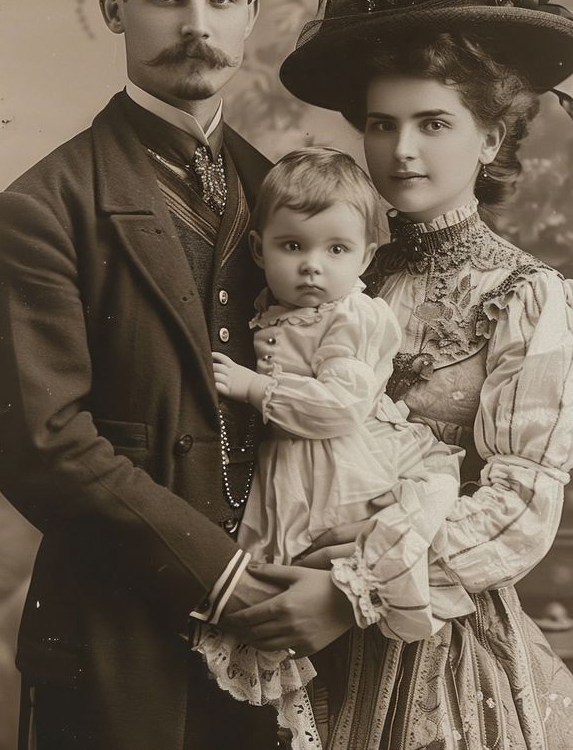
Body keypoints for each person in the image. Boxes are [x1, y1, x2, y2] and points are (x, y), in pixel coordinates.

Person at [0, 0, 353, 750]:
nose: (197, 24)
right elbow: (44, 445)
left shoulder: (286, 196)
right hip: (121, 636)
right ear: (116, 8)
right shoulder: (45, 208)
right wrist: (223, 576)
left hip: (289, 625)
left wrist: (332, 586)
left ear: (251, 13)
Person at [275, 0, 573, 747]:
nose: (401, 151)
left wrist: (352, 595)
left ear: (491, 136)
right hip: (294, 642)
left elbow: (518, 508)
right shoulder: (337, 271)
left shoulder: (537, 302)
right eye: (381, 125)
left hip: (435, 650)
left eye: (433, 123)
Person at [194, 146, 474, 749]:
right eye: (292, 246)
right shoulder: (281, 310)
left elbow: (339, 406)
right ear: (258, 249)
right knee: (273, 587)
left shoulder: (351, 318)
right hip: (289, 466)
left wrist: (255, 387)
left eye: (337, 250)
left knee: (316, 556)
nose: (313, 267)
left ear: (367, 256)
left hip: (338, 460)